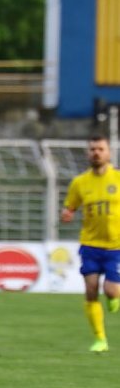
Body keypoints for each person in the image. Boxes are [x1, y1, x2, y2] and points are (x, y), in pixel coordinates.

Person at [60, 135, 120, 353]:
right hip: (90, 244)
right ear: (88, 153)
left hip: (116, 246)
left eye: (100, 149)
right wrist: (67, 213)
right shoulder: (80, 182)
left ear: (108, 153)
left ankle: (114, 296)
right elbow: (70, 206)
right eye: (93, 149)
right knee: (91, 289)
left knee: (111, 290)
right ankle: (100, 339)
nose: (96, 153)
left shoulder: (117, 178)